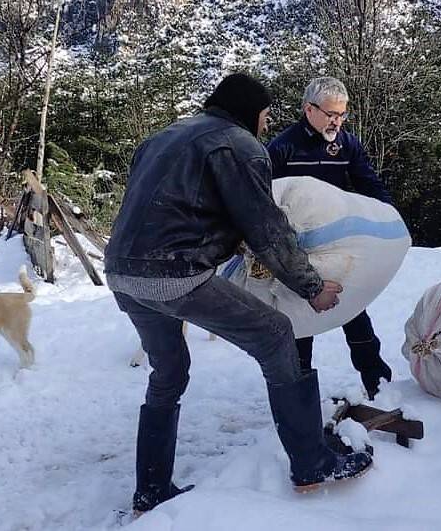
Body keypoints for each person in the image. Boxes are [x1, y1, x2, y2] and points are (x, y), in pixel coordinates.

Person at [104, 73, 372, 516]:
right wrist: (310, 287)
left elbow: (169, 206)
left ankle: (151, 489)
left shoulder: (164, 136)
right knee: (277, 336)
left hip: (124, 274)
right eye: (265, 116)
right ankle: (312, 464)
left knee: (168, 372)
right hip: (176, 273)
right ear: (250, 111)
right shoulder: (239, 145)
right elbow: (267, 228)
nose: (266, 126)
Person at [267, 76, 395, 398]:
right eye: (331, 114)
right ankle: (299, 396)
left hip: (339, 243)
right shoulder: (282, 148)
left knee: (352, 308)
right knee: (298, 320)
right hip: (296, 249)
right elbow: (263, 198)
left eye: (342, 114)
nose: (337, 121)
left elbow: (369, 184)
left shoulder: (347, 144)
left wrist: (391, 215)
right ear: (309, 110)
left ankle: (377, 383)